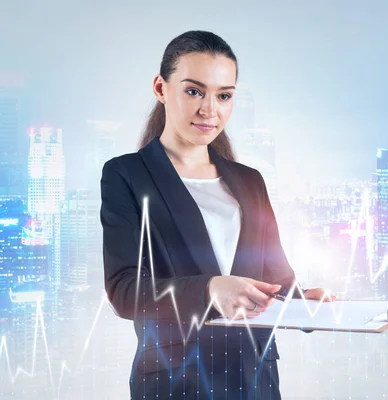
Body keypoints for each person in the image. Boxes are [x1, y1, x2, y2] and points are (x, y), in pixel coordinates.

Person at [100, 30, 336, 399]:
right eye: (194, 91)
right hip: (175, 381)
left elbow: (276, 281)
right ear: (161, 89)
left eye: (223, 95)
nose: (210, 109)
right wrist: (211, 289)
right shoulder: (126, 175)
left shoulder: (249, 181)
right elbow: (123, 291)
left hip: (254, 377)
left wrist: (306, 302)